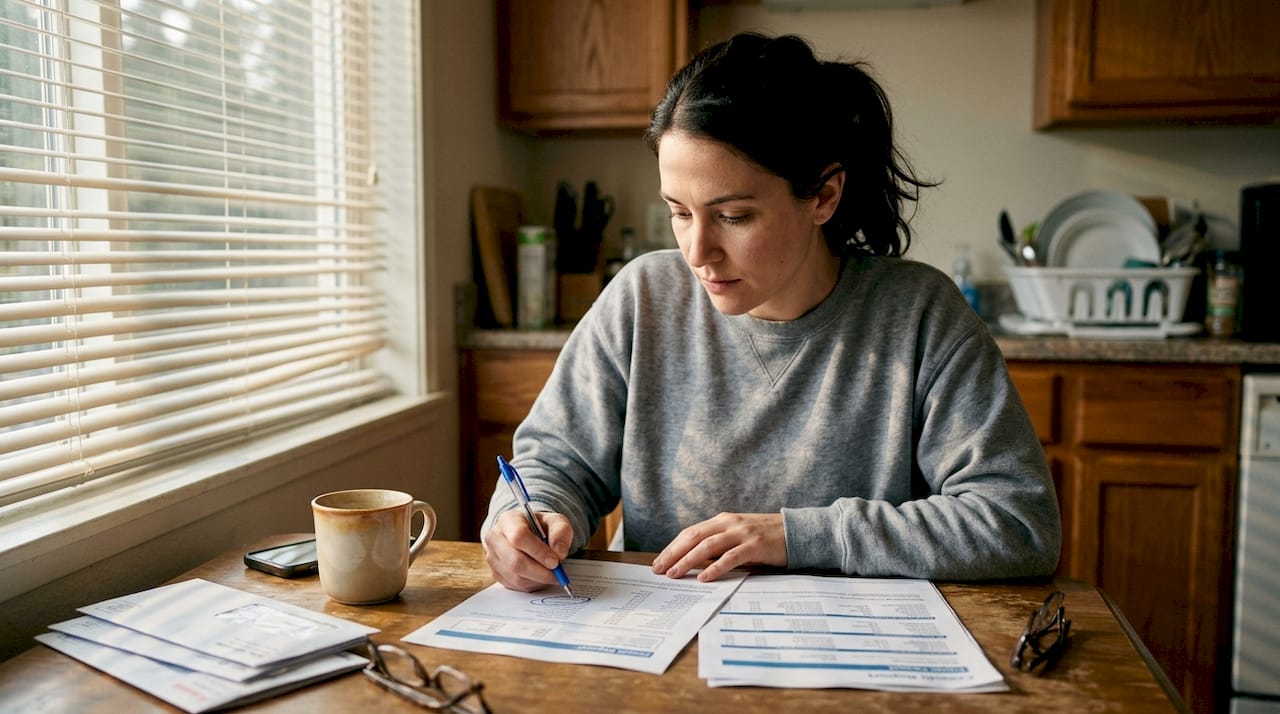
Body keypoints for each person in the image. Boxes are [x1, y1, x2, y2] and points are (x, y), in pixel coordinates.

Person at [481, 32, 1060, 591]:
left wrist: (795, 536)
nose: (697, 251)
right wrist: (527, 517)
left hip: (852, 660)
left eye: (733, 216)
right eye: (679, 212)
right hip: (664, 646)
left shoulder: (919, 316)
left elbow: (1017, 522)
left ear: (824, 196)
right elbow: (553, 466)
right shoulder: (642, 298)